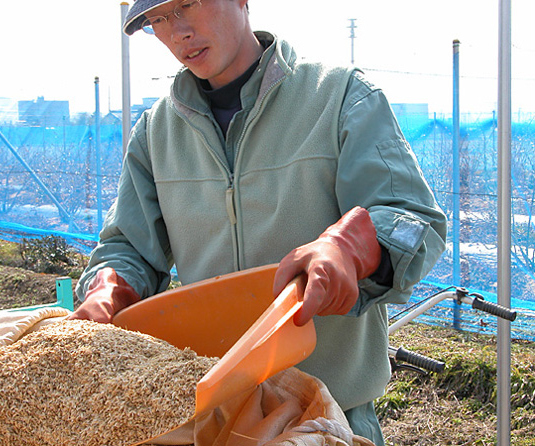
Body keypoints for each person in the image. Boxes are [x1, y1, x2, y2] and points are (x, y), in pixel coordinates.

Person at [70, 0, 447, 444]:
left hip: (330, 418)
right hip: (213, 421)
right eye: (158, 19)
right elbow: (129, 247)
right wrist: (110, 286)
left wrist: (351, 250)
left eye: (187, 4)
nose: (178, 32)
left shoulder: (337, 95)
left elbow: (410, 218)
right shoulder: (157, 131)